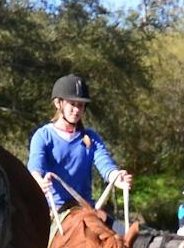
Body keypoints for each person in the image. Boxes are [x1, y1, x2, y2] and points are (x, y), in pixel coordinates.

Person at [28, 74, 132, 219]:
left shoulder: (91, 138)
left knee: (119, 238)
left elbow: (105, 164)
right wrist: (38, 181)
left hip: (86, 211)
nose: (77, 110)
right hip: (55, 213)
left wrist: (117, 177)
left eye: (81, 105)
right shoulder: (43, 136)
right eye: (72, 104)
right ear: (58, 103)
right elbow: (35, 166)